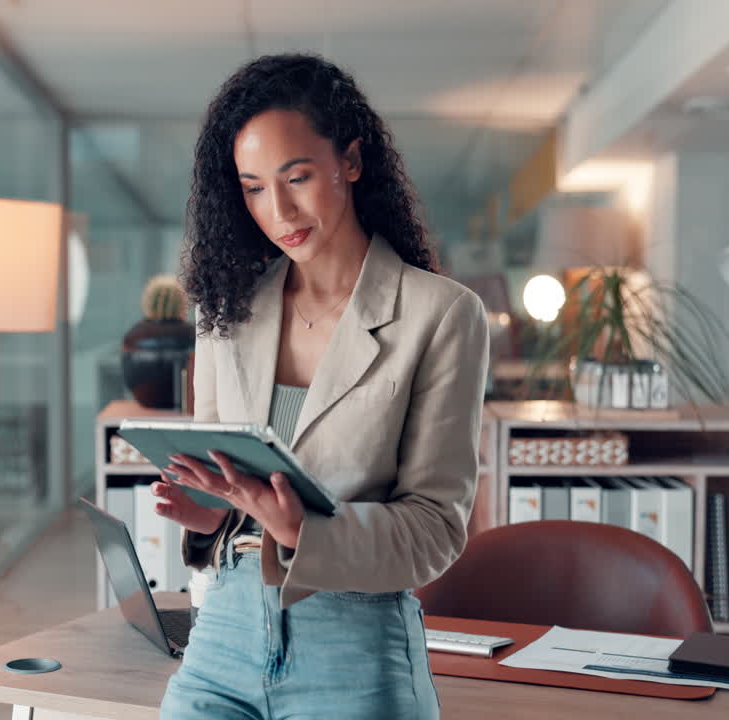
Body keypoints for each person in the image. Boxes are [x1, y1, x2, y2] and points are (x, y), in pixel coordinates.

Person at [153, 53, 489, 719]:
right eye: (252, 188)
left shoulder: (441, 314)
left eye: (297, 177)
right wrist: (213, 514)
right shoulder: (228, 310)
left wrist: (303, 530)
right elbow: (231, 477)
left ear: (352, 162)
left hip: (353, 641)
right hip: (225, 627)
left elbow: (435, 530)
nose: (278, 210)